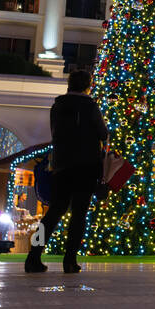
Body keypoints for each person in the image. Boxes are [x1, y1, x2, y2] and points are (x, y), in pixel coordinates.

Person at [25, 69, 108, 274]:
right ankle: (70, 260)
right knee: (79, 215)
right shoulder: (90, 105)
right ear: (88, 85)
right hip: (86, 166)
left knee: (53, 213)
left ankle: (33, 256)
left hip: (62, 165)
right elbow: (103, 132)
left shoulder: (58, 106)